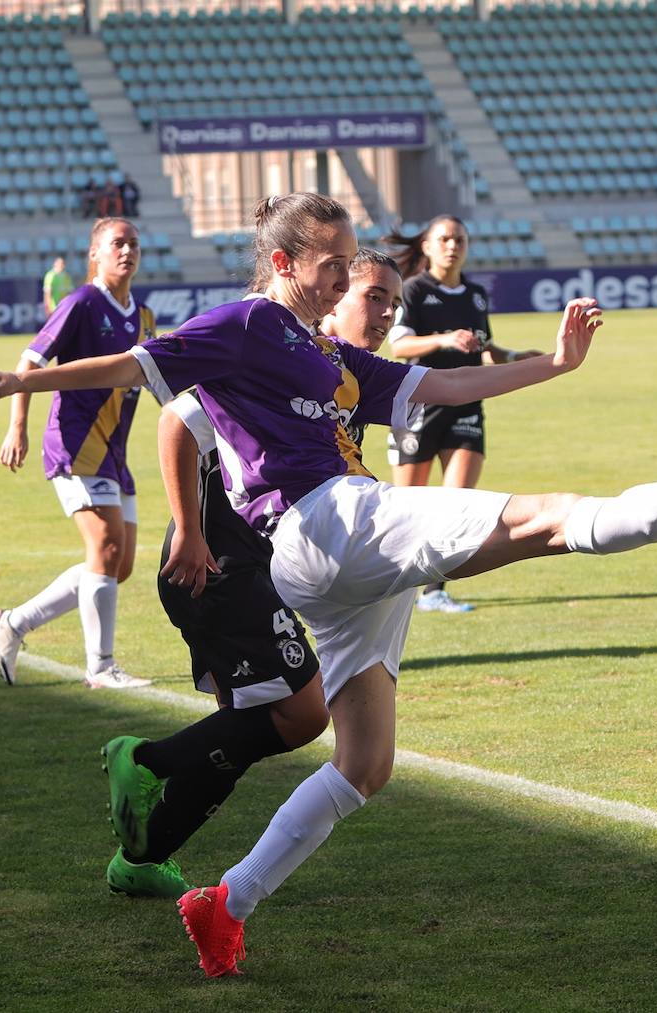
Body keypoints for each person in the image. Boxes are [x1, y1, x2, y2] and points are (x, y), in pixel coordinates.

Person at [0, 191, 657, 980]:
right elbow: (139, 370)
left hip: (334, 561)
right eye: (333, 266)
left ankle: (226, 903)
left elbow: (444, 392)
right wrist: (17, 383)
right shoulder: (251, 322)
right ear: (285, 261)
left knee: (364, 762)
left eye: (352, 269)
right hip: (326, 521)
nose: (347, 284)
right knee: (546, 520)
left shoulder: (329, 357)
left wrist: (557, 364)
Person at [98, 248, 405, 900]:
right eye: (369, 294)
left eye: (391, 302)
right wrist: (190, 529)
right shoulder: (274, 359)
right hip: (216, 567)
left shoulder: (337, 380)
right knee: (300, 711)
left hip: (251, 571)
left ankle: (144, 853)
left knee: (244, 728)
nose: (382, 312)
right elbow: (176, 420)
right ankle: (143, 760)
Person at [0, 217, 153, 691]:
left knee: (118, 566)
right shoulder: (80, 303)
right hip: (74, 443)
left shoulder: (145, 317)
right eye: (117, 243)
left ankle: (12, 623)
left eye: (134, 244)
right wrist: (17, 427)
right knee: (106, 548)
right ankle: (100, 668)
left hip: (114, 453)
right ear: (95, 253)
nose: (127, 251)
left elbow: (156, 379)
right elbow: (28, 363)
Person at [382, 215, 540, 614]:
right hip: (419, 405)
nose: (453, 246)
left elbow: (484, 348)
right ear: (428, 246)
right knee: (409, 507)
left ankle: (435, 592)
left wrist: (516, 357)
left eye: (460, 239)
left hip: (467, 406)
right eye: (445, 239)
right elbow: (399, 348)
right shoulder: (413, 290)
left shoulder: (475, 294)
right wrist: (444, 339)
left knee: (456, 505)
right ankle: (393, 587)